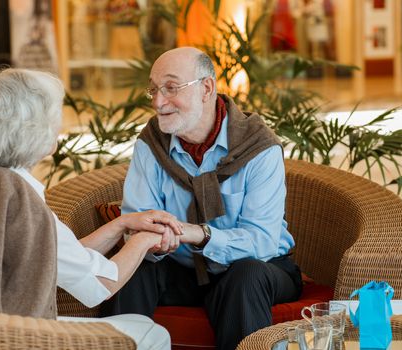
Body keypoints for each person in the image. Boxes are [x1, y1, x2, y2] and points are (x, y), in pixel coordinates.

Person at [0, 68, 182, 350]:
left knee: (143, 327)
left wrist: (121, 224)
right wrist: (145, 239)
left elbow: (56, 254)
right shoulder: (16, 196)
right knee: (152, 334)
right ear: (31, 128)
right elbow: (99, 286)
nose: (59, 125)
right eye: (53, 117)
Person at [101, 47, 303, 349]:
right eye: (154, 90)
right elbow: (139, 220)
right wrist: (152, 239)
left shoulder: (259, 146)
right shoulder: (151, 144)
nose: (158, 101)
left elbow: (261, 240)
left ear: (206, 88)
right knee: (135, 265)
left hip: (260, 267)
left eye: (170, 88)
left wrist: (200, 235)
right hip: (181, 269)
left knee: (246, 275)